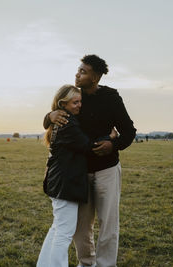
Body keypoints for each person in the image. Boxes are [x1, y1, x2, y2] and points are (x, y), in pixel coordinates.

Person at [43, 55, 136, 267]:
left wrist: (113, 144)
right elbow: (52, 119)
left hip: (107, 170)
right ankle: (86, 263)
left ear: (95, 77)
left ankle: (105, 265)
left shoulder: (111, 98)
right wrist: (50, 114)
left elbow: (129, 131)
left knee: (108, 225)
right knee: (81, 226)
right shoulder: (75, 97)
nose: (77, 73)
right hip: (80, 171)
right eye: (78, 69)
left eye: (83, 71)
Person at [37, 85, 117, 267]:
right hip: (66, 183)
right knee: (64, 231)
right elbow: (88, 146)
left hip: (59, 182)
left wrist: (49, 116)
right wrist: (110, 136)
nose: (80, 105)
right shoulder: (68, 122)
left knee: (57, 228)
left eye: (80, 101)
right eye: (75, 102)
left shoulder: (61, 119)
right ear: (62, 104)